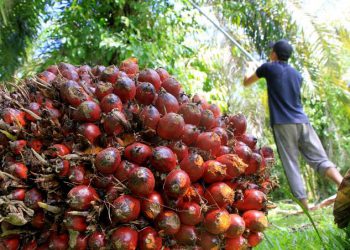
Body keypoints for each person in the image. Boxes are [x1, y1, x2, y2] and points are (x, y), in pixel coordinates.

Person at [243, 39, 343, 209]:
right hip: (303, 122)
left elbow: (247, 82)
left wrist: (249, 67)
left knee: (291, 163)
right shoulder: (297, 75)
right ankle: (344, 185)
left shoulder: (267, 67)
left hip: (283, 124)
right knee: (320, 159)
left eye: (271, 51)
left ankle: (305, 208)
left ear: (274, 53)